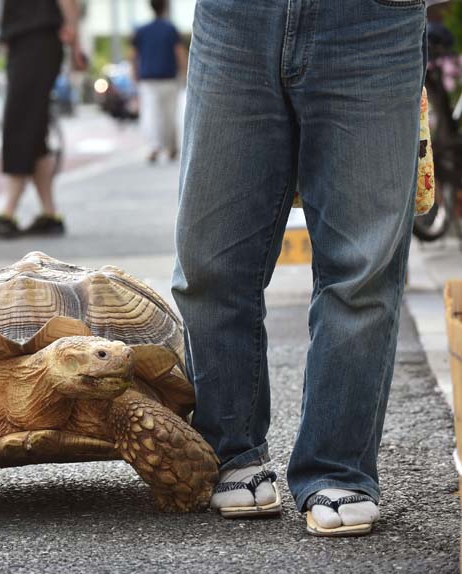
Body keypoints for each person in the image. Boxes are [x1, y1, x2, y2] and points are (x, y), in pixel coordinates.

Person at [171, 0, 425, 537]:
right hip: (233, 19)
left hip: (375, 20)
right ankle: (232, 451)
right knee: (209, 259)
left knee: (362, 268)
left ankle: (337, 466)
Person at [0, 0, 85, 239]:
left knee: (20, 123)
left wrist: (75, 40)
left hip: (37, 40)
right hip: (27, 41)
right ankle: (49, 214)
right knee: (34, 129)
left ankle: (9, 212)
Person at [131, 0, 186, 163]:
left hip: (147, 79)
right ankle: (170, 146)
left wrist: (134, 75)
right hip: (168, 78)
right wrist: (184, 73)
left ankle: (154, 146)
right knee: (169, 113)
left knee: (151, 113)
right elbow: (179, 53)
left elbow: (133, 56)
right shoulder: (171, 29)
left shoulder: (141, 30)